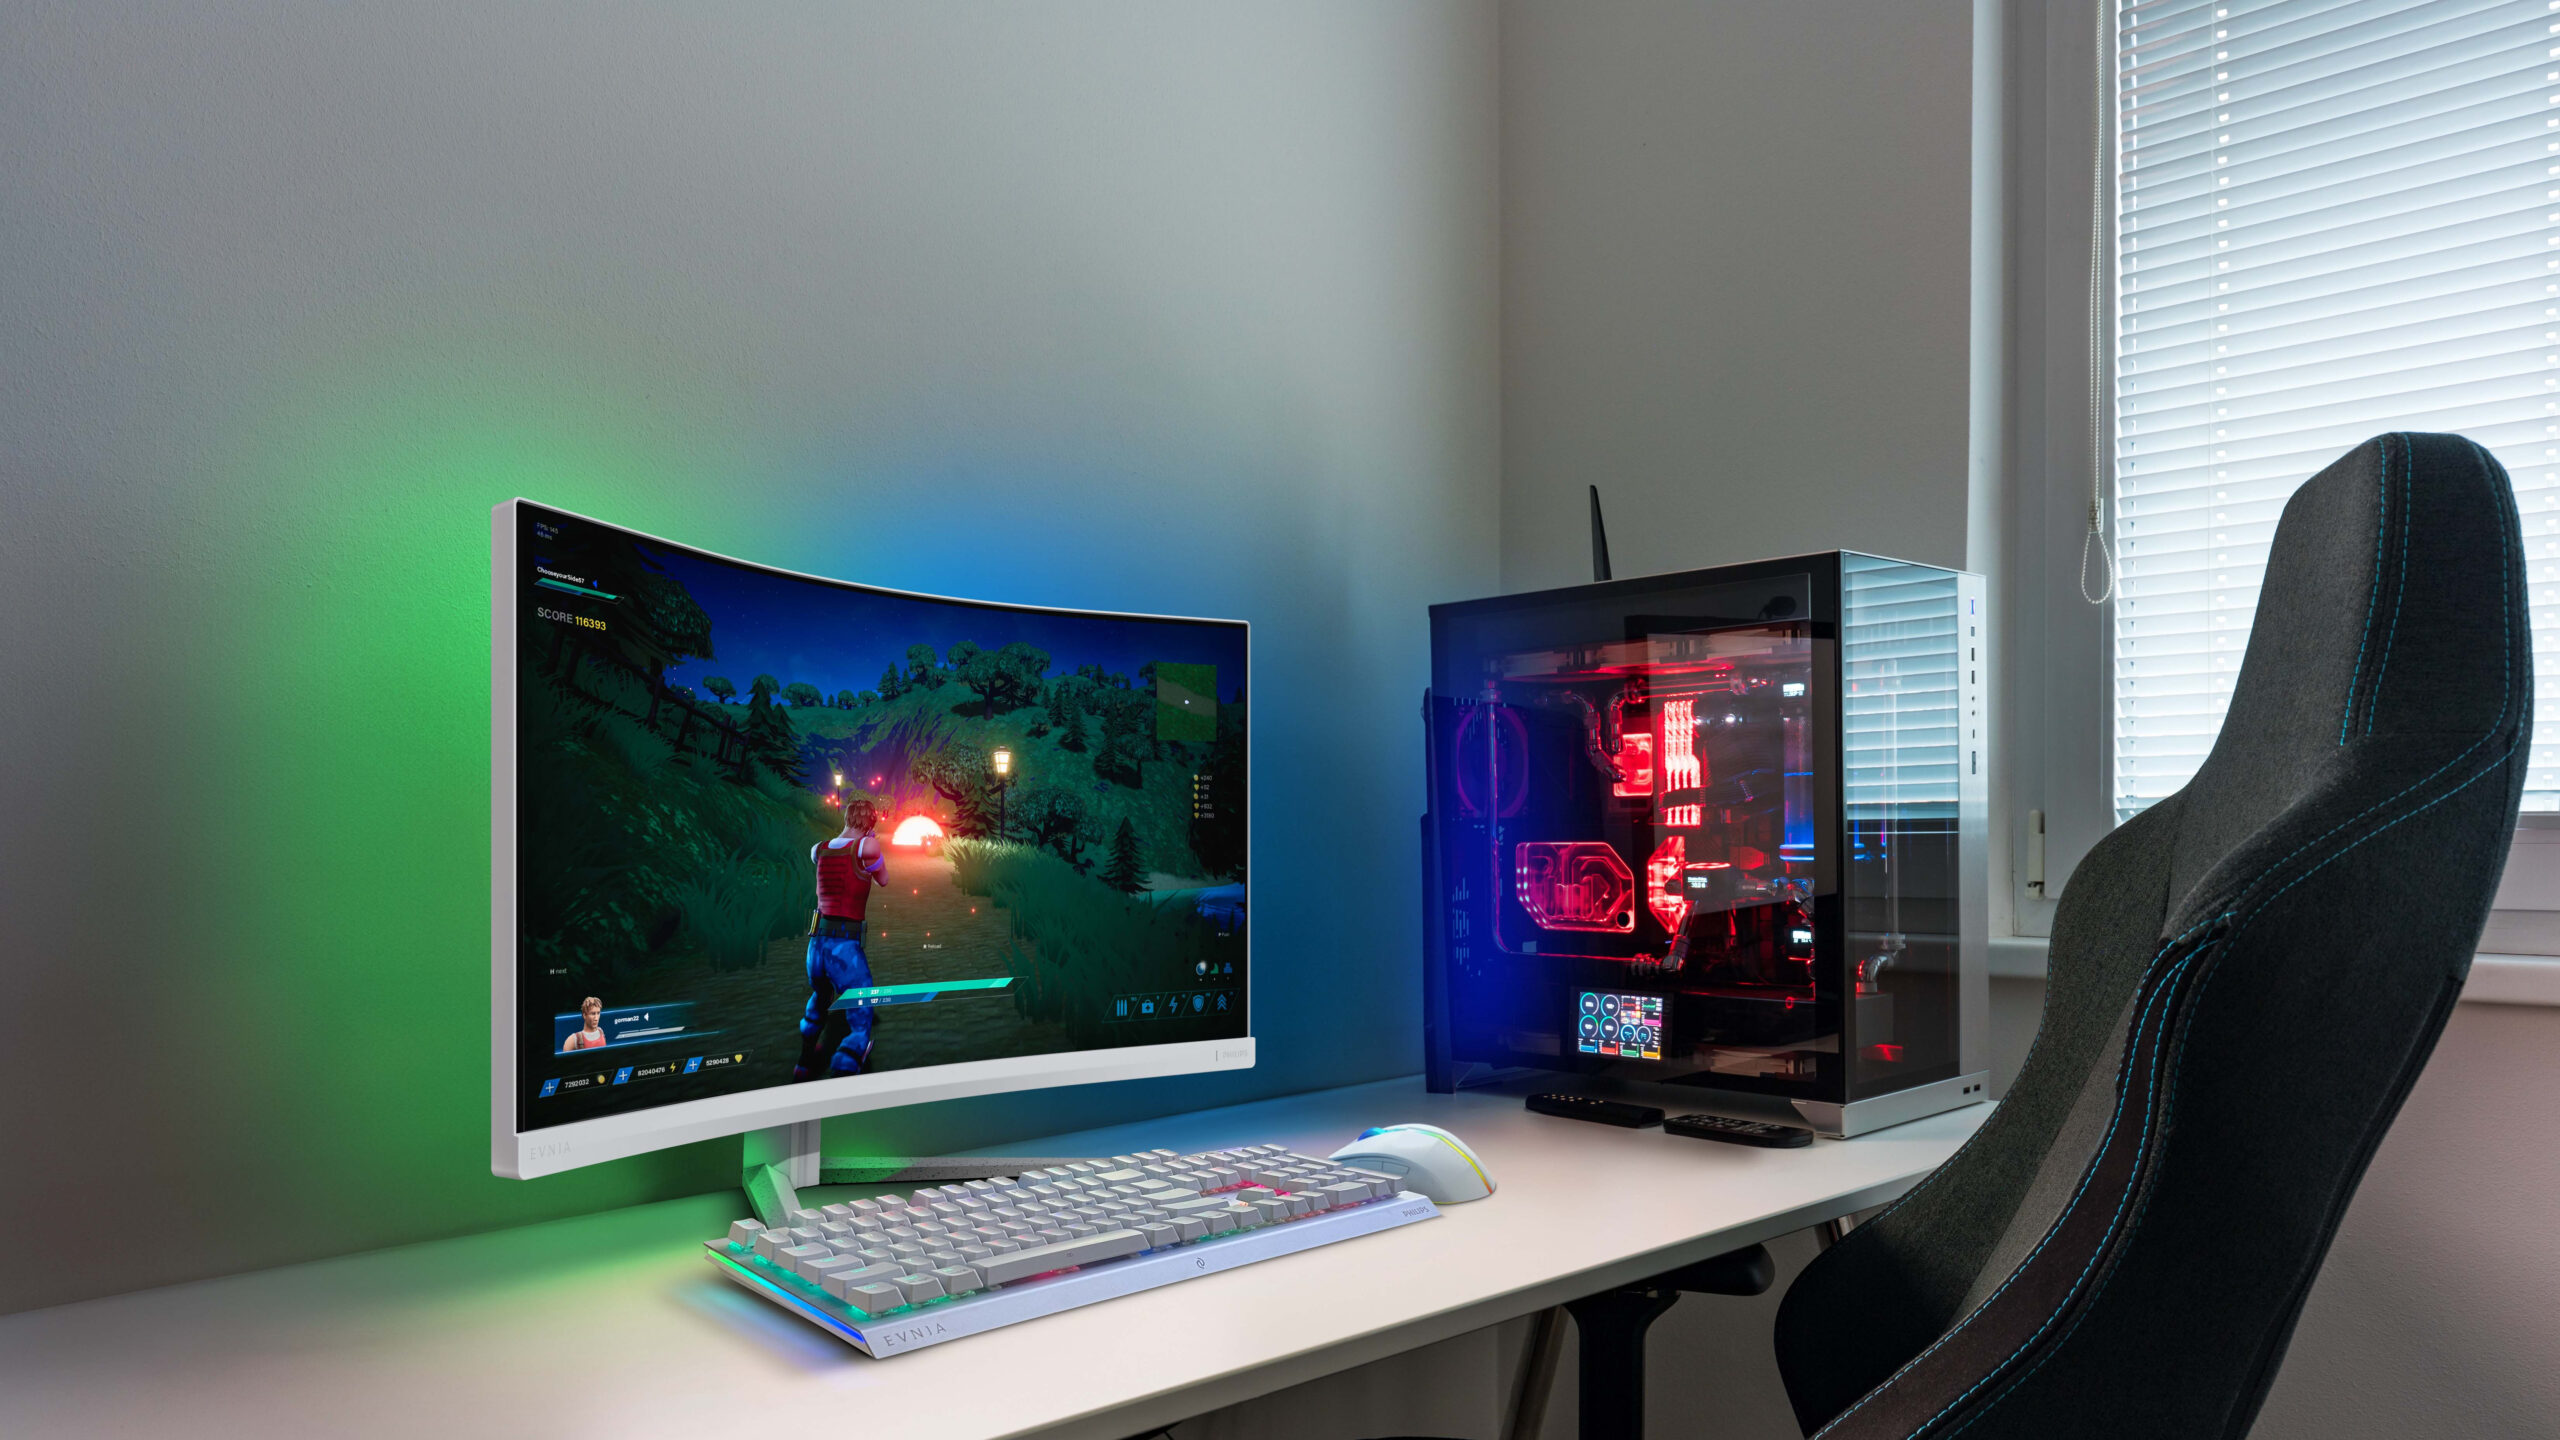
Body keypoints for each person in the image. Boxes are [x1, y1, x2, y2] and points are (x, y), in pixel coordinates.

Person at [796, 799, 886, 1080]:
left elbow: (823, 853)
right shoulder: (867, 846)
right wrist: (870, 842)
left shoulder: (819, 848)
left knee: (820, 996)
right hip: (844, 948)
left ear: (847, 818)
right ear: (869, 824)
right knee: (861, 1004)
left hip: (816, 948)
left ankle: (804, 1062)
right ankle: (845, 1067)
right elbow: (883, 879)